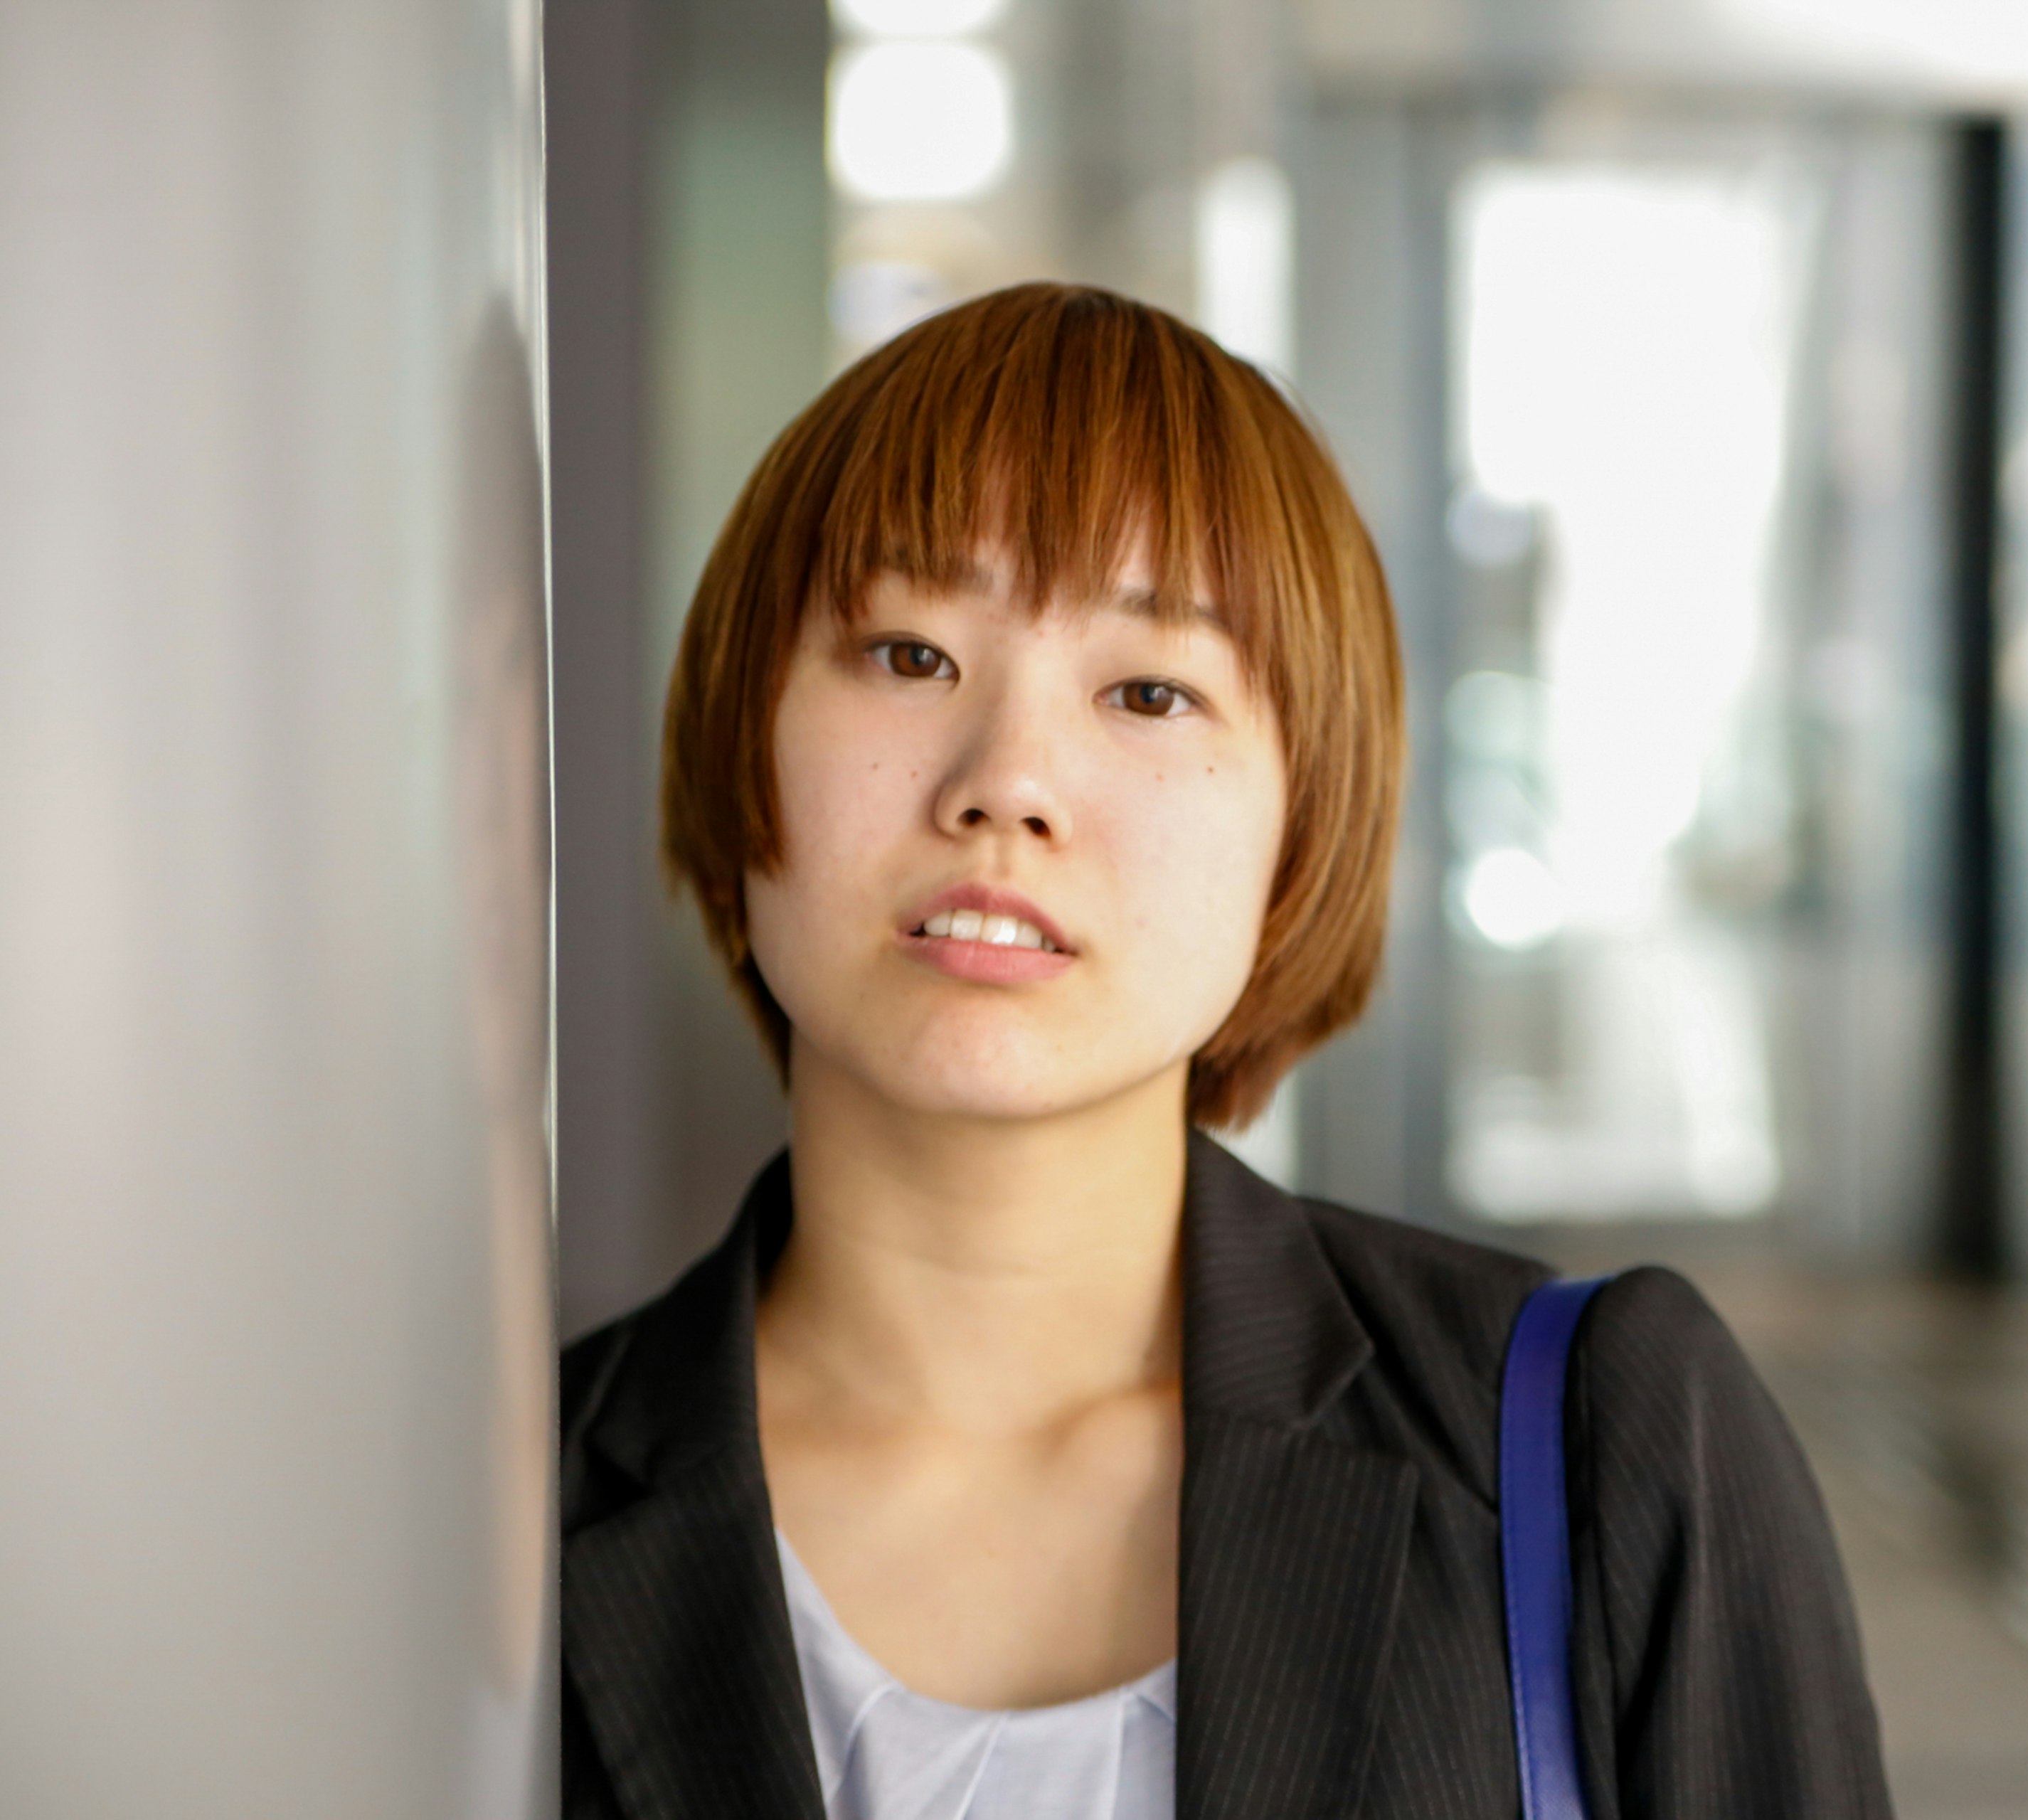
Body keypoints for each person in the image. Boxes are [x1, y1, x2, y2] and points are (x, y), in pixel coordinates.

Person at [559, 282, 1891, 1820]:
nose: (1009, 783)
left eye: (1148, 690)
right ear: (744, 730)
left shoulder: (1600, 1438)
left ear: (1298, 834)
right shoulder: (500, 1519)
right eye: (910, 653)